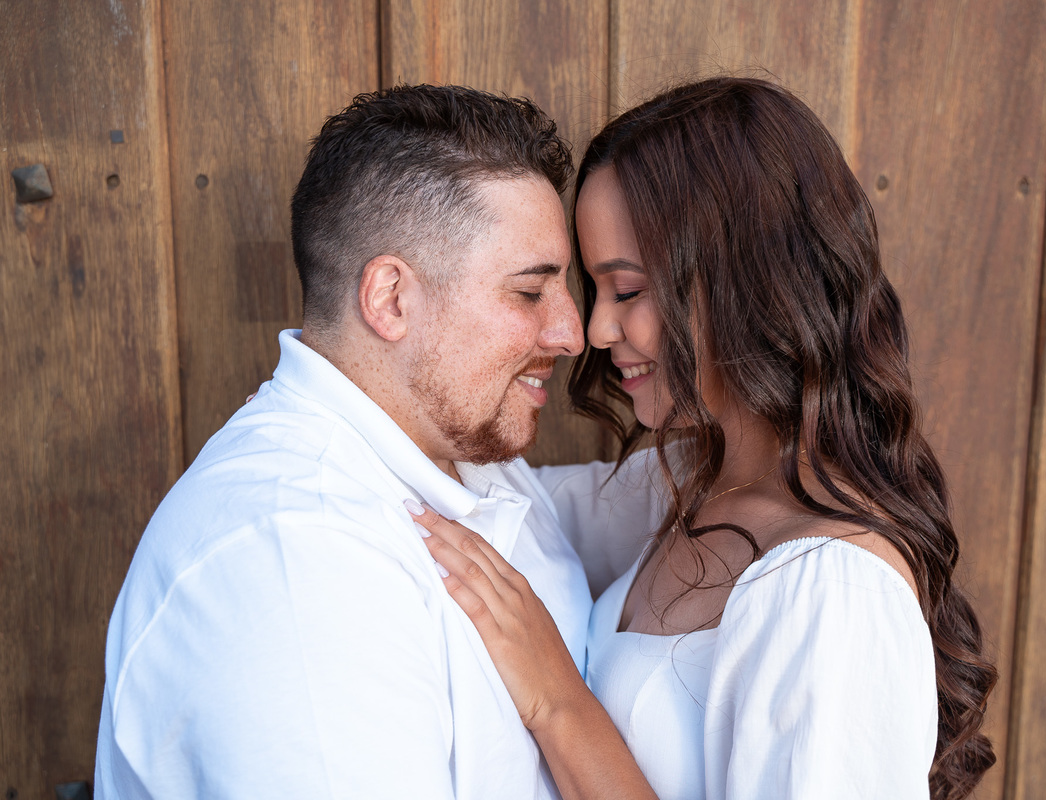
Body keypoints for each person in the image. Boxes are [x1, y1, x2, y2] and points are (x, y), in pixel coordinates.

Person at [413, 76, 998, 800]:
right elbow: (488, 499)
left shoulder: (833, 590)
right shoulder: (683, 482)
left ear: (746, 282)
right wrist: (340, 407)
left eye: (626, 291)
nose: (594, 332)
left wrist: (557, 703)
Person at [94, 84, 595, 799]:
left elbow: (639, 502)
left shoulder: (453, 452)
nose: (571, 333)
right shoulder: (294, 566)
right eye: (528, 292)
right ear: (391, 298)